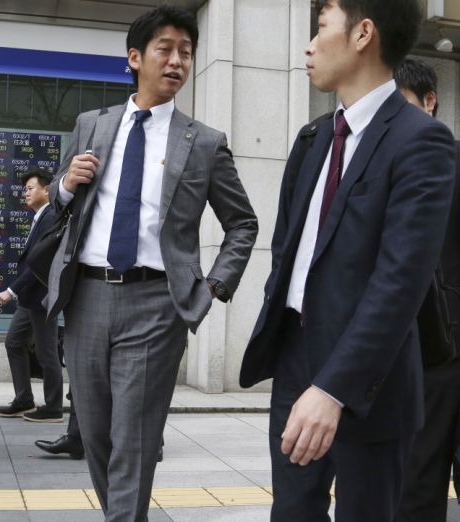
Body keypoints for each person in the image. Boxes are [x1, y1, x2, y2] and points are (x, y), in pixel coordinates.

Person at [239, 1, 457, 520]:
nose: (309, 46)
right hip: (296, 357)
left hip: (373, 377)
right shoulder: (313, 138)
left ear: (363, 34)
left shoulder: (422, 140)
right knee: (292, 512)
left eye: (320, 28)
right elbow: (287, 249)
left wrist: (334, 388)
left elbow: (400, 281)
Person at [46, 6, 257, 520]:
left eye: (186, 52)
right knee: (94, 433)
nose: (177, 61)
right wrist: (66, 183)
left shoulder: (204, 142)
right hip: (86, 297)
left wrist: (214, 286)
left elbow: (242, 223)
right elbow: (57, 201)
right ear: (135, 58)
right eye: (165, 49)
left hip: (156, 304)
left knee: (134, 439)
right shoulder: (92, 125)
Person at [394, 58, 460, 522]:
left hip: (451, 343)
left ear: (430, 102)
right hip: (413, 355)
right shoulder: (380, 169)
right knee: (415, 485)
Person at [0, 166, 63, 422]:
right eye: (25, 189)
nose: (26, 193)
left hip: (41, 299)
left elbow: (38, 262)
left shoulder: (50, 217)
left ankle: (53, 407)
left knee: (47, 353)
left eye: (30, 188)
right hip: (30, 299)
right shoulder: (39, 218)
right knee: (14, 342)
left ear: (47, 190)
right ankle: (24, 399)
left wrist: (11, 290)